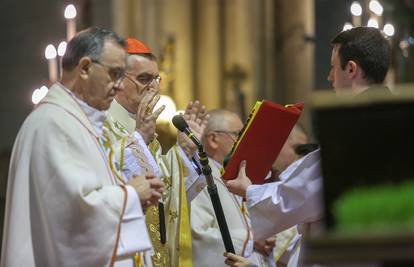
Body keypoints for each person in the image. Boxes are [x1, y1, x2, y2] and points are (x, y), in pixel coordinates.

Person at [224, 26, 391, 266]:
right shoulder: (393, 121)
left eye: (333, 67)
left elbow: (301, 195)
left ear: (351, 69)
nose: (329, 77)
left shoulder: (355, 128)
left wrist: (250, 191)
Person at [1, 27, 164, 267]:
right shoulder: (53, 124)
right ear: (85, 68)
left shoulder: (80, 122)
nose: (119, 86)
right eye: (115, 74)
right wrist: (131, 195)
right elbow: (72, 213)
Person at [104, 37, 208, 267]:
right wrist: (139, 138)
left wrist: (184, 151)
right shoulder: (102, 124)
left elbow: (164, 194)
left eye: (156, 79)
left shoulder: (143, 127)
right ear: (118, 79)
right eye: (144, 79)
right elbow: (109, 182)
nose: (153, 87)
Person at [191, 109, 275, 267]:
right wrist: (250, 240)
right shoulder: (198, 179)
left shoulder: (233, 175)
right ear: (213, 139)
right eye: (238, 134)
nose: (245, 141)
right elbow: (197, 235)